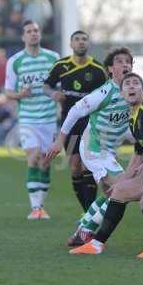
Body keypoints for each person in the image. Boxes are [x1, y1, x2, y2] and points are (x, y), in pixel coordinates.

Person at [68, 73, 143, 258]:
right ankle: (96, 244)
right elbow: (139, 153)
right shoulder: (133, 118)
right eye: (127, 84)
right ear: (122, 92)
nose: (132, 86)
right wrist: (123, 180)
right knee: (119, 192)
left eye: (136, 84)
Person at [46, 47, 143, 243]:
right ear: (111, 69)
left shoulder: (139, 89)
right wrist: (60, 141)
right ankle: (85, 230)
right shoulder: (104, 92)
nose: (125, 65)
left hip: (109, 150)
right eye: (120, 62)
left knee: (112, 193)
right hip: (93, 148)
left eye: (128, 61)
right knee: (128, 188)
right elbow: (75, 111)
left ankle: (83, 229)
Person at [43, 30, 107, 211]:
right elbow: (45, 87)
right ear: (71, 44)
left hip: (91, 123)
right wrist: (53, 93)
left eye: (84, 39)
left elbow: (107, 93)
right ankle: (87, 213)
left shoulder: (98, 69)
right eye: (77, 39)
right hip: (69, 123)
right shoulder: (61, 66)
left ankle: (89, 215)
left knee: (87, 166)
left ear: (88, 44)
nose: (81, 42)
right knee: (75, 167)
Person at [5, 20, 60, 220]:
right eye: (29, 31)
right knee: (34, 155)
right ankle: (35, 207)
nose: (33, 34)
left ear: (40, 34)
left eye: (36, 30)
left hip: (48, 118)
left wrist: (56, 96)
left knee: (45, 162)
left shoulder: (53, 58)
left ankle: (41, 206)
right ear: (23, 36)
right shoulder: (15, 61)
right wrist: (21, 95)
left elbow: (59, 86)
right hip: (28, 117)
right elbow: (8, 91)